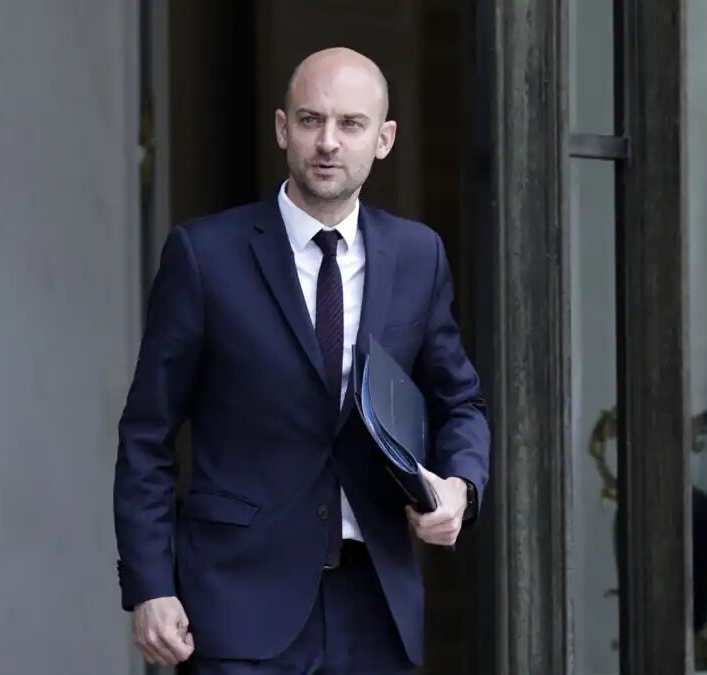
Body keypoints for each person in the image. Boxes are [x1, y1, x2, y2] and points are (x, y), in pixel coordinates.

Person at [112, 47, 490, 674]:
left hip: (376, 608)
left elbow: (460, 402)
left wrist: (461, 488)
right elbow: (147, 434)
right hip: (238, 605)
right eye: (312, 120)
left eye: (351, 124)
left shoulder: (418, 255)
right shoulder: (204, 256)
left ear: (384, 140)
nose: (328, 142)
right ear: (283, 128)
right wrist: (150, 584)